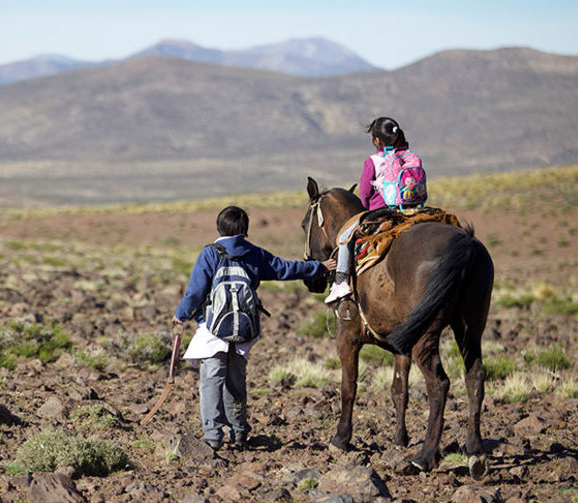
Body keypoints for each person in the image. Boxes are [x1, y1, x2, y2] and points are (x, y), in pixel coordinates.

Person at [173, 205, 336, 451]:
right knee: (237, 383)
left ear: (219, 227)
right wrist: (319, 267)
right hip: (244, 332)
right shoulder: (254, 254)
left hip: (213, 332)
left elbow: (195, 292)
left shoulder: (209, 254)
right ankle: (239, 433)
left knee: (211, 382)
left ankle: (213, 436)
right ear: (245, 230)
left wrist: (180, 315)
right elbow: (285, 269)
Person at [323, 116, 413, 304]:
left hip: (380, 211)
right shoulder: (409, 155)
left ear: (377, 140)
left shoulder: (374, 161)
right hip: (410, 209)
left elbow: (364, 193)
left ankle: (340, 284)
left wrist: (366, 207)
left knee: (344, 238)